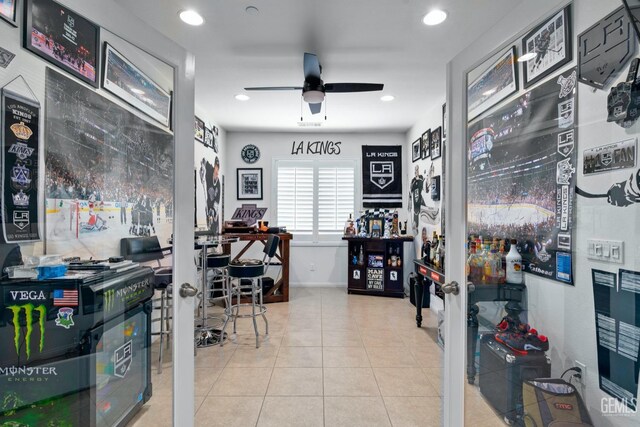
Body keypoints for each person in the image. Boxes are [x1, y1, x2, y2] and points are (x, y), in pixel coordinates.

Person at [408, 165, 427, 232]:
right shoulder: (413, 180)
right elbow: (411, 189)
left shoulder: (421, 177)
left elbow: (423, 185)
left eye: (417, 170)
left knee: (425, 209)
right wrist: (415, 180)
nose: (416, 171)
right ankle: (415, 227)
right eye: (415, 170)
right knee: (416, 212)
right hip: (415, 199)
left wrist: (419, 179)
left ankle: (426, 223)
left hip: (420, 197)